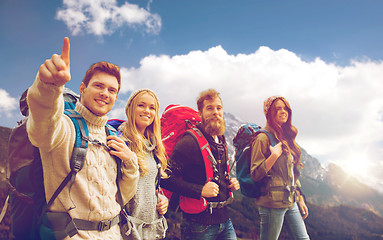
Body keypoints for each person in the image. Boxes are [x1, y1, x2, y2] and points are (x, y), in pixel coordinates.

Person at [26, 37, 139, 239]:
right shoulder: (64, 126)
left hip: (114, 234)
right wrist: (48, 87)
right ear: (82, 88)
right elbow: (42, 127)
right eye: (98, 86)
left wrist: (130, 163)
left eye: (112, 90)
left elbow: (121, 196)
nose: (105, 93)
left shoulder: (112, 135)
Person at [161, 89, 240, 240]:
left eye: (218, 108)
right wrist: (200, 190)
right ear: (200, 113)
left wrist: (229, 183)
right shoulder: (189, 142)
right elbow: (165, 178)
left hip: (225, 221)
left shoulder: (221, 139)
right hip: (198, 226)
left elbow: (213, 173)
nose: (216, 112)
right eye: (209, 108)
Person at [250, 96, 310, 240]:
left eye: (285, 108)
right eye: (278, 109)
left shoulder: (285, 138)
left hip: (290, 200)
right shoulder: (262, 138)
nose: (283, 112)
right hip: (272, 203)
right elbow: (255, 174)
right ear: (269, 113)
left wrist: (300, 198)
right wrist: (274, 156)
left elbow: (292, 173)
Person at [116, 89, 169, 239]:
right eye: (141, 105)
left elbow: (151, 184)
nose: (147, 111)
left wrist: (162, 199)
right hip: (127, 229)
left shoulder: (154, 146)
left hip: (152, 228)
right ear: (130, 108)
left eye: (152, 108)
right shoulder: (120, 141)